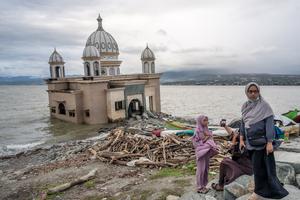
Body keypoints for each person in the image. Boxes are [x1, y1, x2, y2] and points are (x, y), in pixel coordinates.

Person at [240, 82, 289, 200]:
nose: (253, 94)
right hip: (250, 143)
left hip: (262, 144)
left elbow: (269, 125)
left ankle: (259, 192)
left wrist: (269, 142)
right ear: (246, 92)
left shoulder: (265, 106)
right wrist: (241, 139)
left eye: (255, 91)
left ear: (259, 92)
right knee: (257, 167)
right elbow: (243, 124)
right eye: (250, 91)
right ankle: (264, 188)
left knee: (261, 168)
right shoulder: (245, 106)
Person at [211, 121, 253, 191]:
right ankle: (223, 182)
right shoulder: (249, 138)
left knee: (224, 162)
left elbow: (233, 153)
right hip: (246, 165)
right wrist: (225, 126)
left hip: (246, 168)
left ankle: (221, 185)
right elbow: (232, 134)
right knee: (227, 161)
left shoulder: (244, 143)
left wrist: (233, 141)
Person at [192, 115, 219, 193]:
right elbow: (196, 143)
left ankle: (204, 185)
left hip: (207, 151)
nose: (207, 122)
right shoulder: (197, 130)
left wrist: (209, 141)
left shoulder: (206, 129)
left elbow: (211, 139)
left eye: (207, 120)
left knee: (206, 169)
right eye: (205, 120)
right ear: (200, 121)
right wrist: (206, 139)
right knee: (201, 170)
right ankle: (199, 187)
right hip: (201, 153)